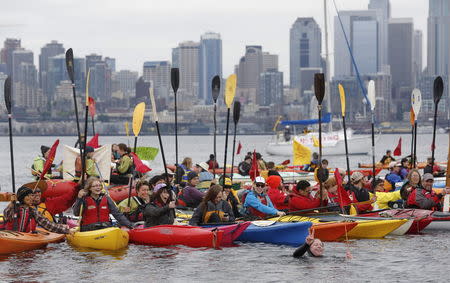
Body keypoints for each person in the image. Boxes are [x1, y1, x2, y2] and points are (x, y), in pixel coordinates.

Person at [2, 186, 74, 234]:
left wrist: (66, 231)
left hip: (26, 238)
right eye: (28, 196)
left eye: (31, 196)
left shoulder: (33, 212)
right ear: (22, 197)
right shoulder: (14, 208)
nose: (31, 198)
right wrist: (12, 202)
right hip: (11, 236)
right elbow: (6, 215)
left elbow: (48, 225)